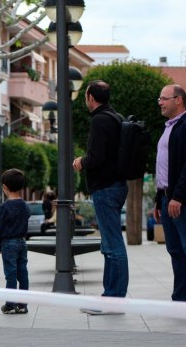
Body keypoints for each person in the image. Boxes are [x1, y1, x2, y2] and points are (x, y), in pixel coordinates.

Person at [73, 80, 129, 301]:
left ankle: (114, 295)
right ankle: (111, 294)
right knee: (110, 243)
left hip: (105, 187)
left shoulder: (99, 120)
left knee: (113, 243)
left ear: (90, 98)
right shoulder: (116, 117)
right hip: (117, 185)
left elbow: (96, 157)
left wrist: (80, 162)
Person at [154, 85, 186, 302]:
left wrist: (178, 197)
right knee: (175, 251)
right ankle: (182, 298)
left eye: (164, 98)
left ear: (179, 100)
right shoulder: (168, 128)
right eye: (159, 99)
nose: (160, 102)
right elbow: (163, 168)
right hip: (166, 198)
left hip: (185, 201)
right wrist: (158, 200)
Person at [0, 169, 30, 314]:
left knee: (11, 275)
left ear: (5, 187)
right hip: (22, 242)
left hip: (8, 243)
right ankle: (23, 304)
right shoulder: (25, 205)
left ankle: (10, 304)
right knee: (23, 273)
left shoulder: (5, 207)